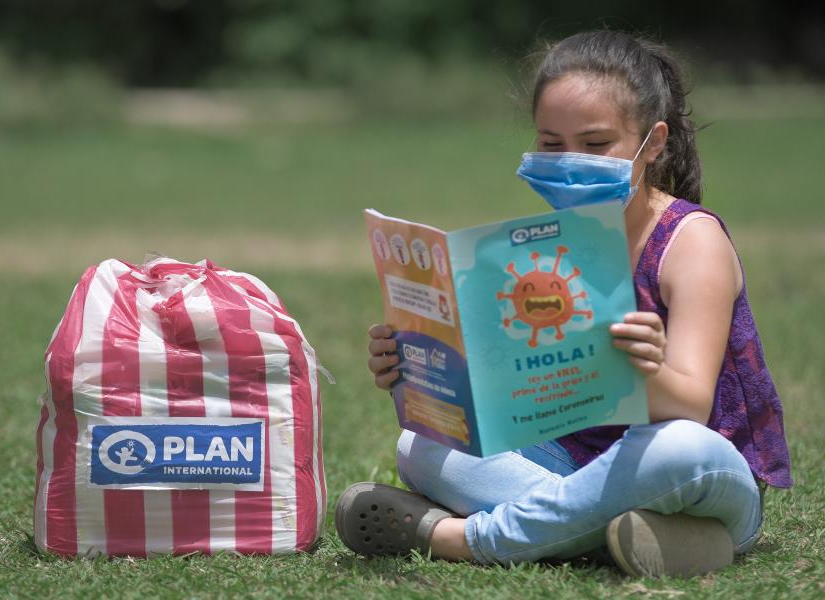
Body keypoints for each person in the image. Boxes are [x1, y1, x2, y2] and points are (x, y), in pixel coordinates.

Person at [334, 29, 792, 578]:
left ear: (654, 143)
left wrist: (642, 369)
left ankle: (466, 538)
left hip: (696, 473)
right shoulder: (541, 249)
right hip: (573, 462)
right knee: (418, 446)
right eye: (552, 145)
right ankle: (630, 538)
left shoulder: (690, 241)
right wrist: (416, 371)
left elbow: (691, 407)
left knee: (679, 447)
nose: (570, 162)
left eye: (596, 144)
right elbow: (511, 398)